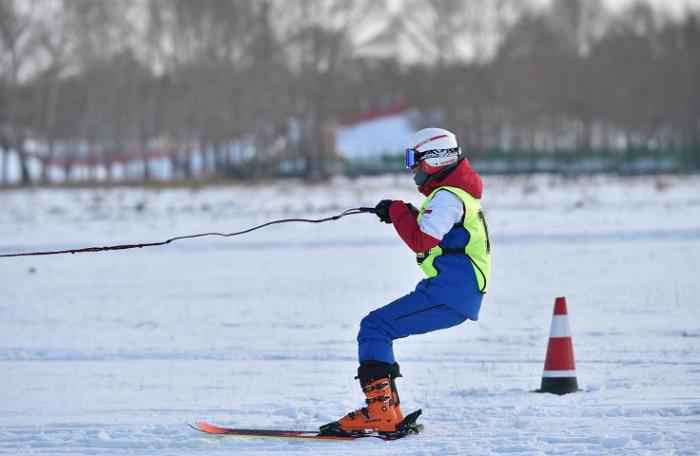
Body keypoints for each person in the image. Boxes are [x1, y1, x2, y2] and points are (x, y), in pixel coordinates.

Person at [321, 127, 492, 435]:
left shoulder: (448, 198)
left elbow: (422, 240)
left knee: (375, 327)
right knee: (377, 327)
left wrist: (399, 211)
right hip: (450, 290)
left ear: (436, 158)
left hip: (450, 293)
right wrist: (402, 212)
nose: (411, 167)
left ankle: (381, 413)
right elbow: (437, 232)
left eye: (414, 158)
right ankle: (388, 412)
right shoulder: (453, 195)